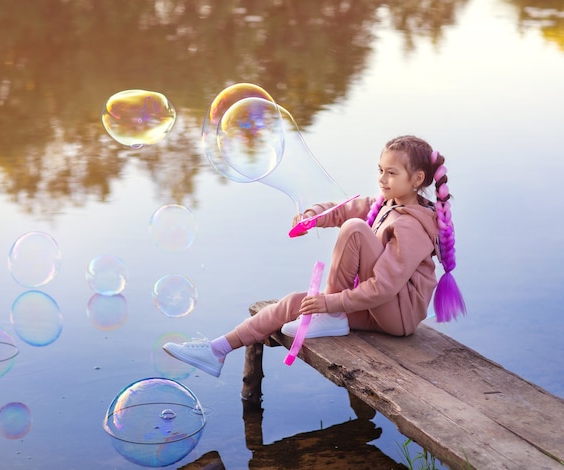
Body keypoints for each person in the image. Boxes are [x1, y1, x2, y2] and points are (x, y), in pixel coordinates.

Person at [163, 135, 465, 377]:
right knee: (295, 302)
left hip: (398, 316)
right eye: (380, 170)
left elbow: (384, 287)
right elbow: (345, 208)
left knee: (356, 230)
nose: (382, 179)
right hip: (381, 308)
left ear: (417, 179)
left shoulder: (413, 225)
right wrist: (313, 217)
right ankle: (216, 350)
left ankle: (328, 315)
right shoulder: (387, 204)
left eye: (391, 173)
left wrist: (330, 302)